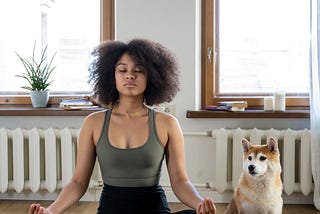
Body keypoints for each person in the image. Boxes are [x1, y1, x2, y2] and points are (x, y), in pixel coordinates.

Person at [28, 38, 216, 214]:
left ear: (151, 77)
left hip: (153, 208)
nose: (130, 76)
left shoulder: (167, 123)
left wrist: (199, 204)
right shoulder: (93, 123)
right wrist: (51, 210)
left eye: (139, 70)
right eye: (122, 70)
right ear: (112, 76)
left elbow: (180, 182)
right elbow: (78, 182)